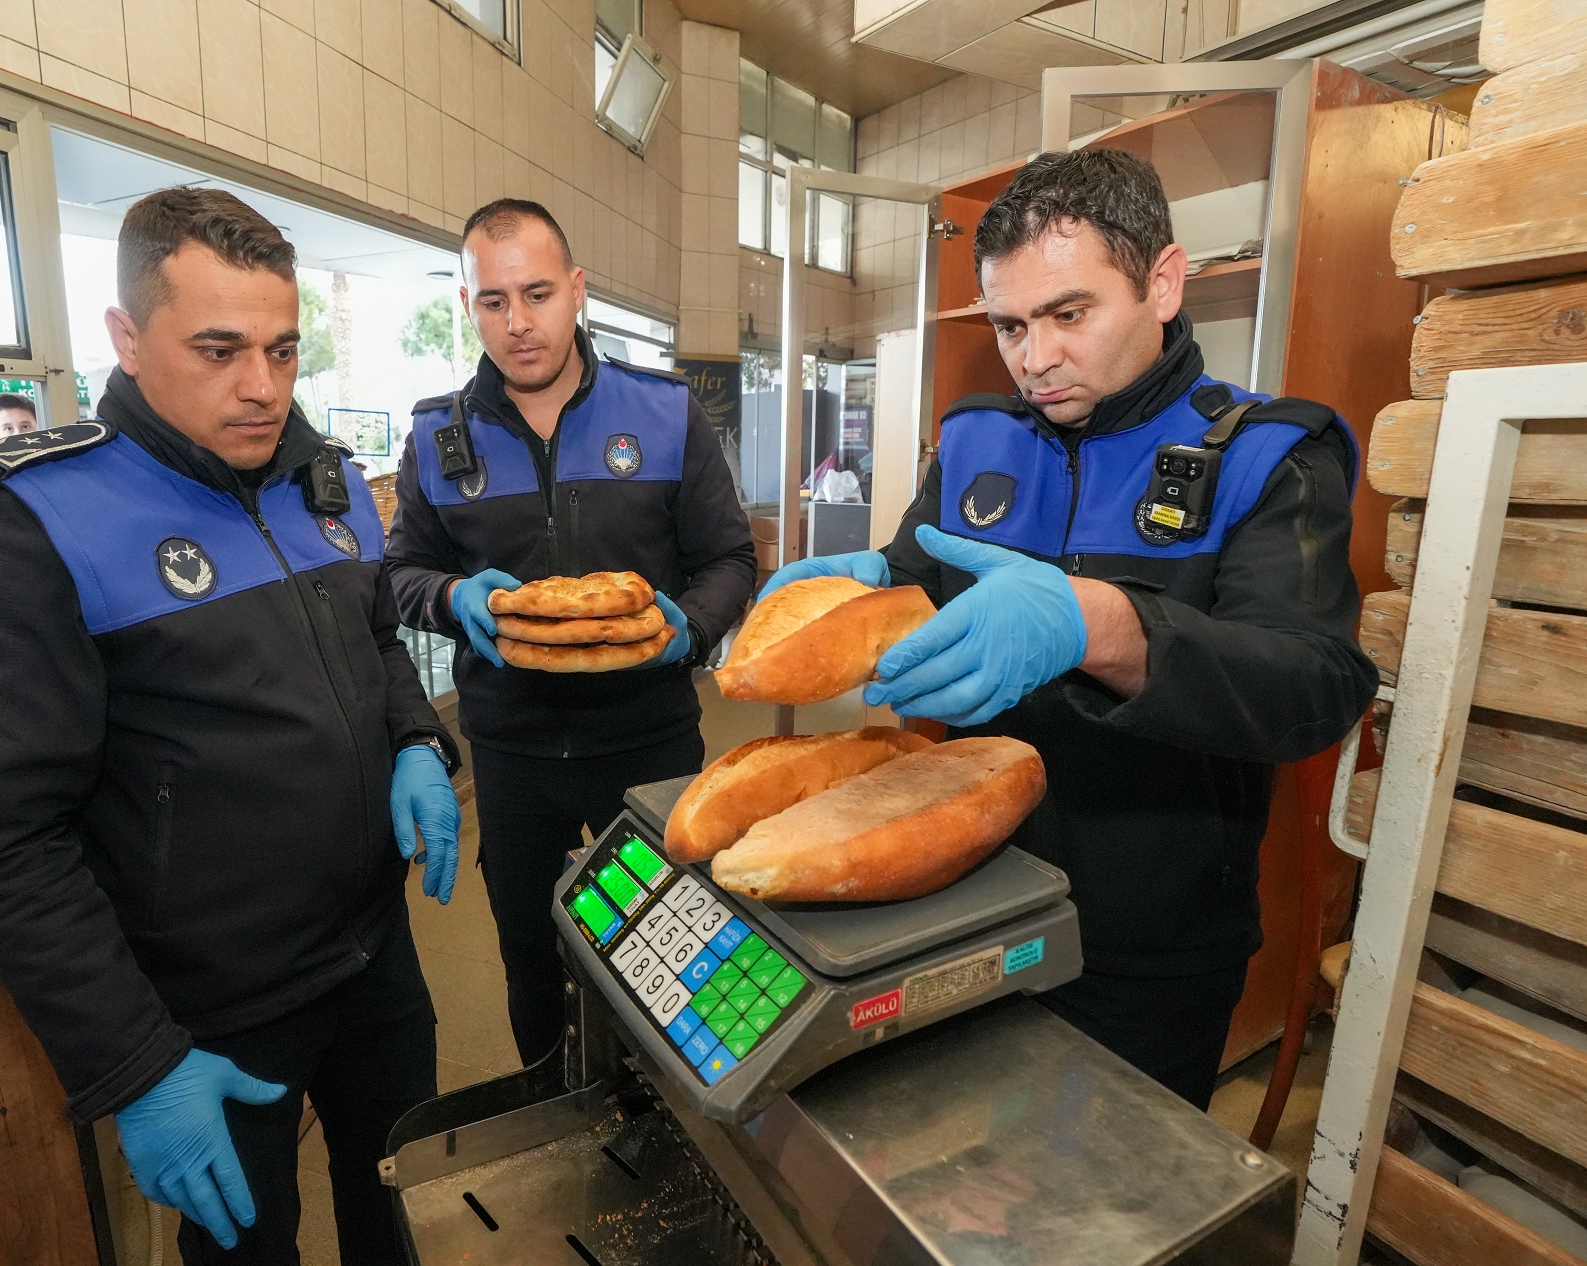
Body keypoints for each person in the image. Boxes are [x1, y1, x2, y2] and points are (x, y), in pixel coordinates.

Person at [763, 150, 1378, 1109]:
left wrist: (1103, 625)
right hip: (961, 896)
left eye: (1068, 314)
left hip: (1149, 943)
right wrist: (878, 585)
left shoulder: (1268, 456)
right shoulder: (976, 437)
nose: (1033, 357)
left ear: (1163, 283)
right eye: (1009, 324)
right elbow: (924, 578)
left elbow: (1313, 687)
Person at [0, 187, 461, 1265]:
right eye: (218, 350)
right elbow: (5, 838)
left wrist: (412, 737)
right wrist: (134, 1064)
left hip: (373, 955)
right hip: (207, 1012)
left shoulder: (324, 480)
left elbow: (375, 641)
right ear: (125, 337)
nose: (260, 387)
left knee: (397, 1208)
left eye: (281, 349)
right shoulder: (34, 519)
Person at [388, 199, 756, 1066]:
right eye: (493, 301)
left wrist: (690, 628)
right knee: (532, 958)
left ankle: (676, 1121)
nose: (518, 323)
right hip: (511, 759)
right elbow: (398, 576)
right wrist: (450, 599)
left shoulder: (664, 414)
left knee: (679, 950)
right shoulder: (439, 434)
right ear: (468, 305)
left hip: (649, 743)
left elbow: (730, 558)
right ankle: (554, 1109)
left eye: (539, 293)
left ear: (577, 290)